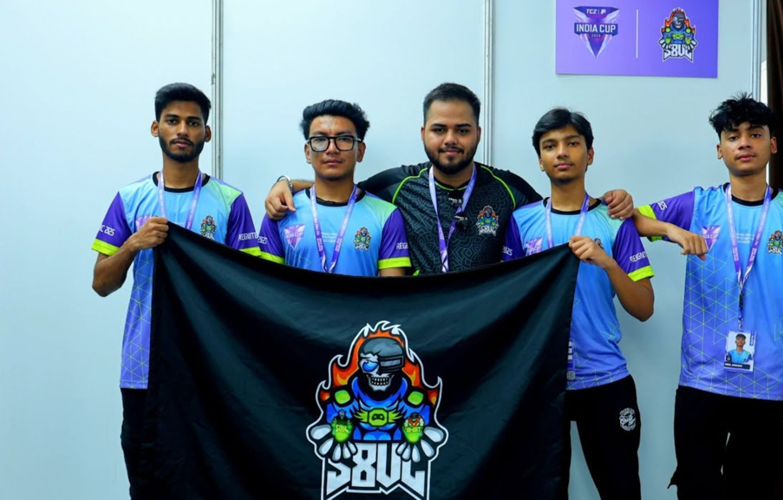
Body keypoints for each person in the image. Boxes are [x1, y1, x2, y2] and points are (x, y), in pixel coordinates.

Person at [632, 93, 783, 500]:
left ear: (773, 144)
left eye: (755, 134)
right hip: (701, 379)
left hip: (767, 380)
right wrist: (671, 230)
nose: (744, 143)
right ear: (719, 149)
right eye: (733, 135)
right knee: (695, 488)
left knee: (752, 489)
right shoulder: (699, 205)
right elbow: (629, 223)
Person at [265, 83, 635, 274]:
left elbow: (560, 215)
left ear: (478, 133)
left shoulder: (509, 189)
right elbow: (340, 188)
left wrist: (623, 208)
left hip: (485, 341)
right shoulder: (397, 185)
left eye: (462, 129)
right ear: (424, 132)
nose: (450, 140)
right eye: (439, 129)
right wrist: (288, 183)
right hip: (417, 336)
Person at [90, 83, 260, 498]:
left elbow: (252, 286)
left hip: (210, 364)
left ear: (207, 133)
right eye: (172, 121)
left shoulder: (230, 201)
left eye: (193, 122)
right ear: (156, 128)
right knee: (147, 477)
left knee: (212, 475)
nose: (183, 130)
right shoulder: (130, 198)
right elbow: (101, 283)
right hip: (143, 365)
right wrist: (133, 244)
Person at [503, 108, 654, 500]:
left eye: (572, 143)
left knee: (621, 489)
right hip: (541, 379)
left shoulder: (615, 220)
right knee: (541, 491)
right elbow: (509, 302)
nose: (562, 152)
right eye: (550, 146)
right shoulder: (521, 222)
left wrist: (607, 263)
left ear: (590, 154)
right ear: (539, 160)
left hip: (604, 378)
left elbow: (644, 308)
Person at [258, 100, 410, 276]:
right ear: (307, 152)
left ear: (360, 151)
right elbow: (266, 285)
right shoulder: (281, 210)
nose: (331, 149)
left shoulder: (387, 215)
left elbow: (391, 290)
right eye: (320, 139)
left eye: (344, 139)